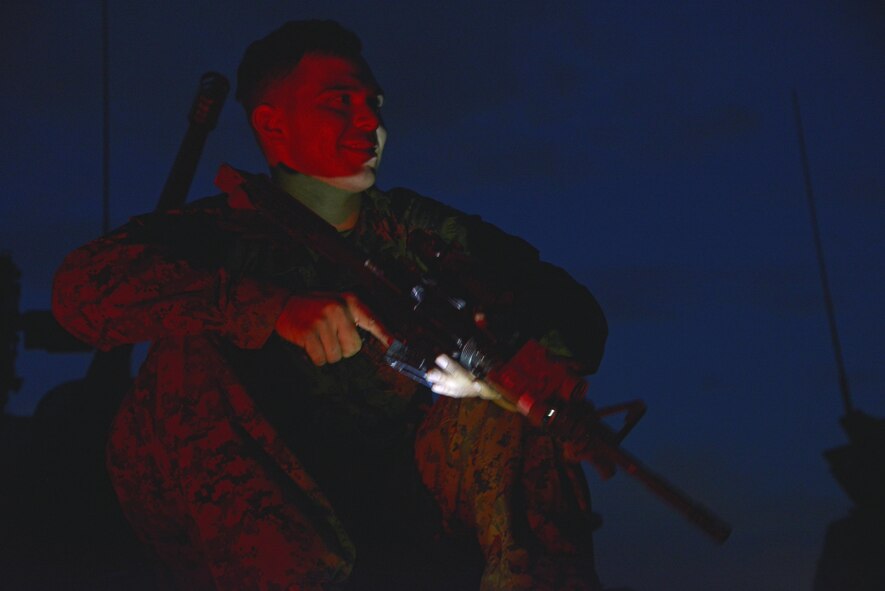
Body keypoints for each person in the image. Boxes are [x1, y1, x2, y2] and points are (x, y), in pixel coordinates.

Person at [52, 20, 608, 591]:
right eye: (339, 103)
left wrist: (506, 349)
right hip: (241, 526)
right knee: (189, 350)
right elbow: (79, 292)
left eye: (374, 104)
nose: (371, 123)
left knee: (518, 391)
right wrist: (271, 309)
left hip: (395, 497)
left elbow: (574, 316)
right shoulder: (220, 234)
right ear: (274, 125)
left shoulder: (414, 231)